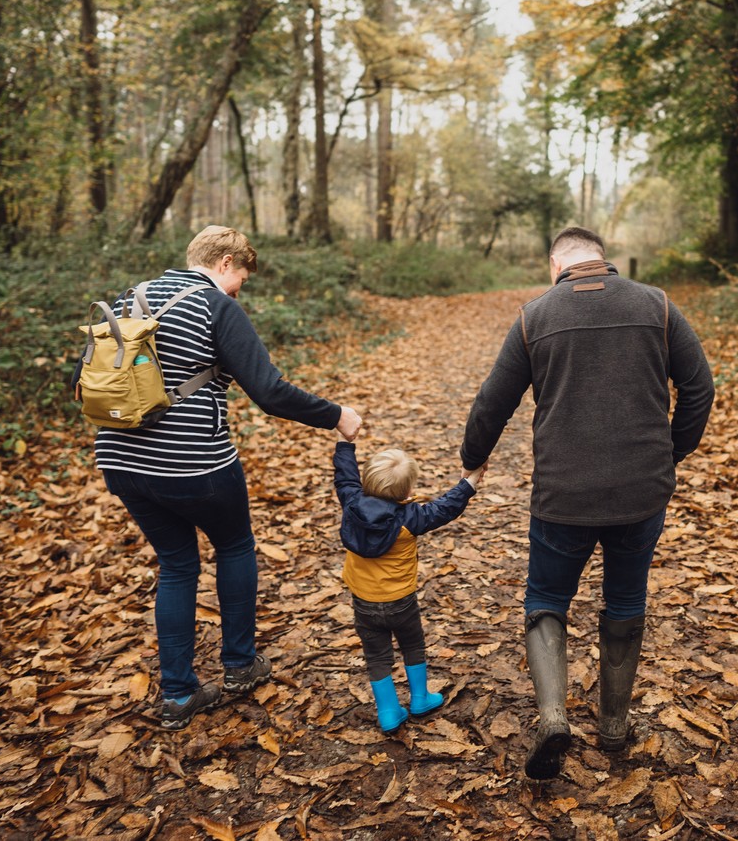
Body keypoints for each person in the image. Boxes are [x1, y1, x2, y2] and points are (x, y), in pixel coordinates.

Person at [460, 226, 714, 781]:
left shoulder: (535, 317)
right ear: (603, 259)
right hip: (641, 492)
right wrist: (669, 455)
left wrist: (472, 457)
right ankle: (615, 726)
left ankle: (554, 718)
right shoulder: (659, 307)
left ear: (556, 264)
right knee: (625, 599)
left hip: (563, 494)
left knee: (547, 597)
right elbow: (700, 388)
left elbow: (492, 401)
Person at [84, 225, 363, 731]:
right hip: (195, 464)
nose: (239, 289)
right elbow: (270, 391)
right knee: (234, 546)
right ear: (227, 262)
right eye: (241, 278)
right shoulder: (217, 306)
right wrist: (336, 414)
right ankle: (239, 667)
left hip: (120, 458)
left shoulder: (133, 296)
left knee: (176, 565)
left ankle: (177, 695)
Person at [333, 442, 480, 732]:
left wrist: (345, 444)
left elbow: (345, 476)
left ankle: (388, 712)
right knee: (412, 645)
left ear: (367, 483)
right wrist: (469, 483)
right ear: (407, 493)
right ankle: (420, 698)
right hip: (401, 601)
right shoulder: (410, 518)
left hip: (364, 601)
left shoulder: (351, 502)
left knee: (377, 655)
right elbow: (446, 507)